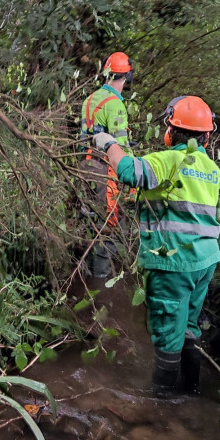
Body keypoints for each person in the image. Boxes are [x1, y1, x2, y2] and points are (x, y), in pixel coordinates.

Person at [92, 95, 220, 396]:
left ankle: (162, 404)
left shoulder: (170, 159)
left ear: (170, 131)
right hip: (204, 262)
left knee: (167, 333)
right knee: (188, 326)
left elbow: (128, 172)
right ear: (206, 136)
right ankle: (192, 393)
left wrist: (107, 142)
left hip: (173, 263)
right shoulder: (212, 169)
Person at [79, 52, 134, 277]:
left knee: (90, 220)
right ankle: (100, 282)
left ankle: (86, 270)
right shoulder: (115, 105)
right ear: (126, 77)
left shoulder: (89, 99)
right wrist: (131, 178)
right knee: (108, 225)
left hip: (85, 166)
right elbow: (120, 149)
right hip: (105, 171)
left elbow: (84, 137)